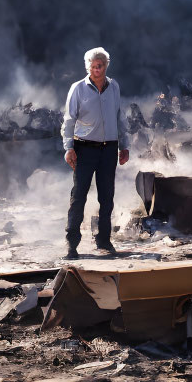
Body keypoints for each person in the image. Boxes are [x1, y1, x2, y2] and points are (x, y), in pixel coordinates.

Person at [61, 47, 130, 259]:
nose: (97, 69)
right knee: (78, 196)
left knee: (107, 197)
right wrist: (68, 148)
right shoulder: (78, 88)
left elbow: (120, 117)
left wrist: (124, 145)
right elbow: (69, 120)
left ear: (106, 65)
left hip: (109, 148)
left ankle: (104, 241)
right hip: (84, 149)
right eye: (93, 66)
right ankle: (72, 245)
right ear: (88, 67)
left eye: (100, 65)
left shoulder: (114, 86)